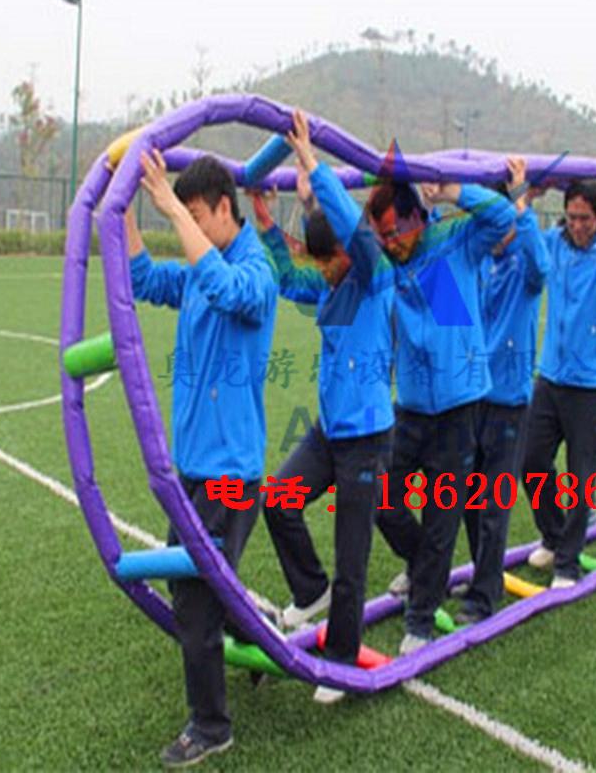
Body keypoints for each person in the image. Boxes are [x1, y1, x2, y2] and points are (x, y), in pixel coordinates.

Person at [126, 152, 278, 767]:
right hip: (192, 466)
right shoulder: (197, 266)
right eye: (182, 214)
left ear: (223, 208)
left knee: (193, 599)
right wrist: (123, 209)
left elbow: (225, 287)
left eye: (194, 215)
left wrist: (170, 209)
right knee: (189, 583)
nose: (186, 224)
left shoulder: (256, 271)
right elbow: (144, 279)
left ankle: (211, 726)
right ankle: (259, 625)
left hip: (231, 472)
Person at [250, 110, 395, 704]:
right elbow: (288, 278)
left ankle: (340, 661)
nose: (326, 270)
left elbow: (357, 235)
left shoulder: (373, 277)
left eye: (330, 258)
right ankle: (311, 592)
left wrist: (311, 162)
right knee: (278, 502)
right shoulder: (330, 284)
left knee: (352, 559)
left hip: (367, 437)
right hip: (330, 431)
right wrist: (265, 222)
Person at [353, 163, 515, 653]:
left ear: (415, 218)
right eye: (380, 235)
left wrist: (452, 190)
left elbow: (502, 216)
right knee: (381, 499)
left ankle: (420, 620)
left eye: (392, 233)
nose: (387, 242)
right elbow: (344, 247)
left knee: (442, 514)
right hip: (410, 408)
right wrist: (312, 194)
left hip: (459, 407)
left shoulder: (454, 243)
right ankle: (425, 569)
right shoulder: (389, 266)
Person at [521, 161, 596, 588]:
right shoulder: (555, 242)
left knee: (581, 477)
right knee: (531, 460)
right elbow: (524, 243)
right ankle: (554, 536)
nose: (577, 226)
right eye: (571, 217)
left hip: (591, 385)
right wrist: (527, 196)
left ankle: (567, 564)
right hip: (551, 377)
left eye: (585, 218)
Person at [457, 157, 549, 623]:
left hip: (508, 401)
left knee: (493, 504)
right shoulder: (479, 263)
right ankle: (483, 576)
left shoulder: (524, 266)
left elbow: (542, 266)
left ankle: (484, 596)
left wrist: (521, 203)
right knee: (468, 501)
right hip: (472, 397)